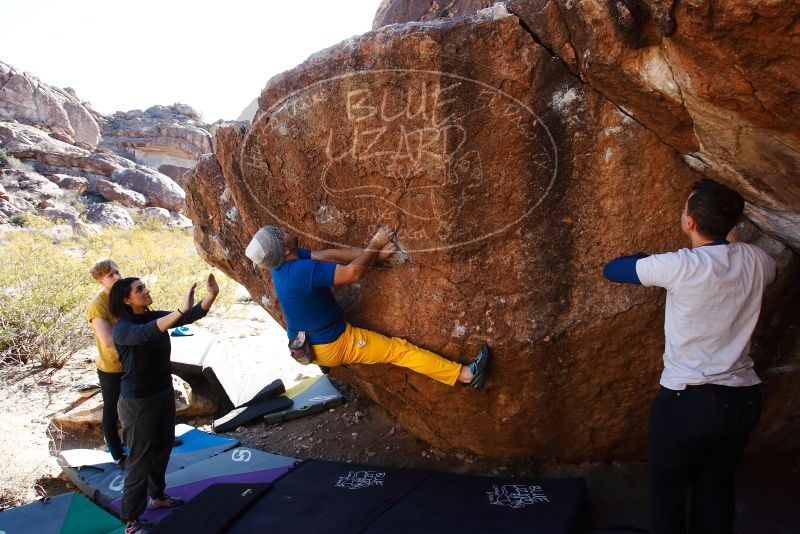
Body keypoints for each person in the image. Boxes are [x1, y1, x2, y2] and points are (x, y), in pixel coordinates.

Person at [603, 179, 776, 533]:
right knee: (717, 488)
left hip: (687, 403)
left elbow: (613, 269)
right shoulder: (759, 261)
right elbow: (734, 251)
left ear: (690, 222)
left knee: (668, 493)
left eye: (685, 209)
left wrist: (644, 259)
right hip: (741, 400)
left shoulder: (680, 266)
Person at [245, 225, 489, 388]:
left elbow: (327, 254)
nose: (285, 230)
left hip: (308, 338)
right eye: (280, 234)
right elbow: (352, 274)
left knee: (327, 281)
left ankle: (325, 357)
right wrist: (375, 243)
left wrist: (375, 256)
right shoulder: (298, 270)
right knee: (399, 350)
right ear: (284, 249)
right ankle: (465, 375)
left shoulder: (283, 263)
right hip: (333, 342)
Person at [109, 273, 219, 534]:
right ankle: (131, 519)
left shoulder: (149, 315)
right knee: (139, 459)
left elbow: (189, 315)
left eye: (144, 286)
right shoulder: (122, 328)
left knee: (162, 449)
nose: (146, 290)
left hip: (161, 394)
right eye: (139, 289)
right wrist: (180, 309)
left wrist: (210, 296)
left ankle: (157, 497)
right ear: (126, 300)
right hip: (138, 402)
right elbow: (149, 332)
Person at [86, 260, 125, 465]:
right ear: (101, 280)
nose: (117, 277)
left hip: (131, 363)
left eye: (117, 272)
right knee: (112, 409)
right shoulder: (97, 305)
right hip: (112, 367)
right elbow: (109, 342)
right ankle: (117, 455)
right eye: (110, 275)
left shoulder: (123, 296)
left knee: (140, 404)